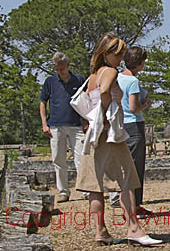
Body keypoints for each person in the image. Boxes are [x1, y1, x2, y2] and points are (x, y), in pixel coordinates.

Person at [75, 33, 162, 246]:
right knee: (127, 180)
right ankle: (134, 228)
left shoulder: (94, 74)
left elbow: (87, 99)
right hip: (109, 134)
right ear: (106, 53)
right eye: (118, 53)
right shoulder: (110, 71)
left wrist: (95, 119)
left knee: (95, 185)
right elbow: (105, 92)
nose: (121, 58)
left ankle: (101, 231)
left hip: (94, 134)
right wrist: (106, 115)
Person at [109, 46, 152, 217]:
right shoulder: (133, 81)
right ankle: (135, 205)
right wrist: (145, 104)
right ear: (140, 63)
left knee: (123, 166)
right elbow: (134, 108)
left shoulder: (118, 78)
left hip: (120, 123)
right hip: (134, 125)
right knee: (136, 167)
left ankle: (124, 201)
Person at [39, 52, 86, 203]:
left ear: (68, 66)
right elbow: (42, 102)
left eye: (62, 69)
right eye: (57, 69)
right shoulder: (50, 81)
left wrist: (86, 121)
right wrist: (44, 123)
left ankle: (86, 190)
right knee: (59, 160)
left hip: (76, 125)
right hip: (56, 126)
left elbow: (86, 101)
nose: (60, 72)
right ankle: (63, 191)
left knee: (82, 158)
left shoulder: (79, 79)